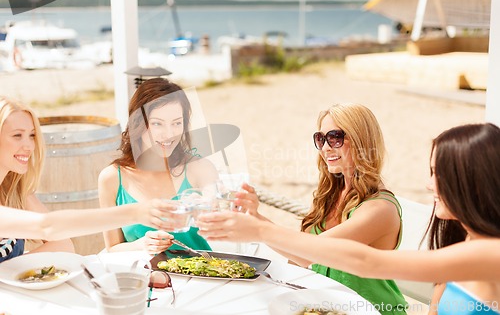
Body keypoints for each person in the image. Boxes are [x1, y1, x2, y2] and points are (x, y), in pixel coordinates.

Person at [198, 123, 500, 315]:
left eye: (438, 174)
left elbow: (366, 262)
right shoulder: (465, 238)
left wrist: (261, 230)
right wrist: (258, 223)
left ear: (470, 182)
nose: (428, 184)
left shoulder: (490, 253)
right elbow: (437, 301)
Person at [228, 103, 408, 314]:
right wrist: (255, 218)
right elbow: (299, 255)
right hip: (328, 306)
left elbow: (313, 253)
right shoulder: (332, 193)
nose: (325, 147)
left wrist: (258, 227)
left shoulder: (379, 209)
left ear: (362, 141)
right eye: (321, 139)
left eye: (335, 137)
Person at [0, 96, 176, 263]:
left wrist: (10, 268)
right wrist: (135, 213)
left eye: (32, 135)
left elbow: (63, 244)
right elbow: (48, 226)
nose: (29, 145)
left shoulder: (13, 190)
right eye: (17, 135)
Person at [99, 78, 218, 255]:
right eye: (157, 124)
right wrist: (141, 245)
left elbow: (216, 205)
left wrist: (210, 207)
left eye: (177, 123)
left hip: (202, 277)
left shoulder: (199, 167)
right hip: (144, 278)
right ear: (138, 123)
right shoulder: (111, 178)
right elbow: (113, 248)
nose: (169, 134)